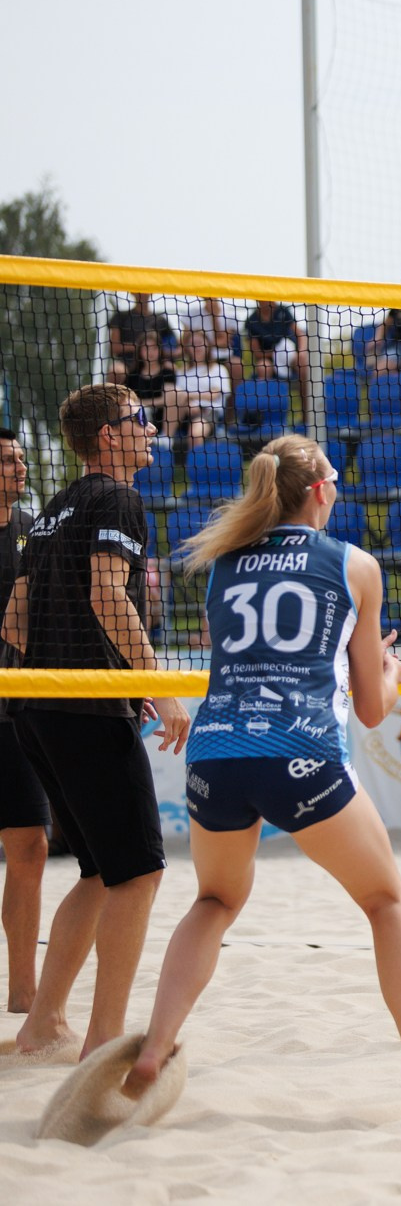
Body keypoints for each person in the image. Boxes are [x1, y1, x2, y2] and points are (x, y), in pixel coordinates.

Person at [119, 435, 401, 1115]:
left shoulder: (222, 562)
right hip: (300, 750)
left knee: (213, 901)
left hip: (215, 751)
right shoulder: (355, 564)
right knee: (387, 903)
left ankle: (154, 1046)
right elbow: (371, 709)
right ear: (320, 490)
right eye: (335, 483)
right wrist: (389, 672)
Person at [3, 384, 190, 1059]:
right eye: (139, 419)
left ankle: (42, 1022)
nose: (149, 428)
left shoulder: (52, 509)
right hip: (82, 707)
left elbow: (17, 614)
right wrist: (158, 687)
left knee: (94, 871)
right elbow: (107, 592)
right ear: (109, 435)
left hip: (34, 705)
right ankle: (103, 1039)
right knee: (138, 873)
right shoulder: (116, 498)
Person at [0, 430, 48, 1015]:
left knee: (30, 847)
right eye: (6, 458)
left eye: (19, 457)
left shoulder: (35, 529)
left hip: (18, 705)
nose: (18, 464)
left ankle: (23, 990)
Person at [162, 329, 232, 446]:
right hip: (183, 413)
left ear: (207, 345)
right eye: (193, 344)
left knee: (195, 435)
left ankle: (196, 463)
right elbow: (176, 396)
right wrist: (188, 403)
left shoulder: (218, 369)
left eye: (200, 343)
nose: (197, 347)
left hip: (208, 413)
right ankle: (166, 437)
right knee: (170, 391)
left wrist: (188, 397)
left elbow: (213, 395)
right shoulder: (182, 371)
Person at [107, 293, 175, 380]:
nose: (142, 294)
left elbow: (175, 348)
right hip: (127, 363)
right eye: (138, 291)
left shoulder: (160, 320)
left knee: (171, 369)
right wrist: (141, 348)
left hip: (155, 364)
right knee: (116, 371)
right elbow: (114, 348)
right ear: (132, 292)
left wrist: (155, 351)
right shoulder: (121, 317)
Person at [124, 332, 176, 426]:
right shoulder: (133, 375)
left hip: (162, 422)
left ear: (160, 350)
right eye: (146, 348)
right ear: (140, 351)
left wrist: (143, 403)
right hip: (136, 419)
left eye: (154, 348)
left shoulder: (167, 373)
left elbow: (168, 399)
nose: (150, 352)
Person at [243, 301, 301, 381]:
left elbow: (300, 334)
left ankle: (306, 393)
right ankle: (264, 392)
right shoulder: (251, 321)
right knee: (263, 367)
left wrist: (301, 352)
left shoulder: (283, 311)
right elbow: (257, 353)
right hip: (268, 359)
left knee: (303, 361)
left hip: (291, 355)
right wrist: (276, 353)